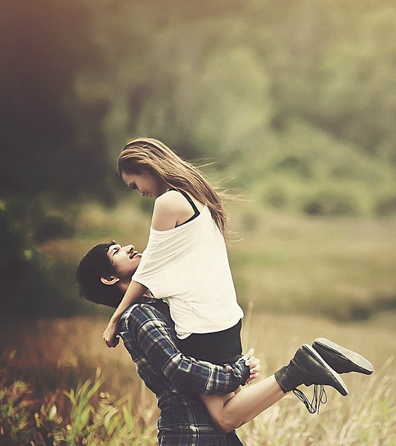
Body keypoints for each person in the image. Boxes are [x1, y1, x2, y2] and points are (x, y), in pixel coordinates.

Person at [99, 137, 371, 423]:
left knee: (226, 418)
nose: (139, 193)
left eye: (134, 185)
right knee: (234, 407)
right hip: (225, 317)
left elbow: (148, 269)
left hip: (201, 325)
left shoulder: (168, 203)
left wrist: (114, 319)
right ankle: (321, 357)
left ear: (146, 167)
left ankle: (302, 367)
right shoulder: (195, 193)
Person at [76, 240, 374, 444]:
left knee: (227, 418)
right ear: (108, 279)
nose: (129, 246)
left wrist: (234, 367)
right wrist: (237, 372)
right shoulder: (139, 315)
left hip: (208, 431)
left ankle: (305, 367)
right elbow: (180, 369)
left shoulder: (157, 305)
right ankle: (302, 368)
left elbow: (197, 354)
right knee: (227, 418)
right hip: (188, 433)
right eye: (116, 251)